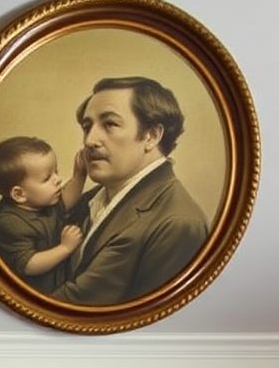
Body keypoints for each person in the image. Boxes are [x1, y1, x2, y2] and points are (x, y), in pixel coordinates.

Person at [48, 75, 210, 305]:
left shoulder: (177, 222)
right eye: (87, 127)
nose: (90, 140)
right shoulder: (91, 199)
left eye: (110, 124)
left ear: (151, 136)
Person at [0, 136, 89, 293]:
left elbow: (66, 200)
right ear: (19, 194)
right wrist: (65, 248)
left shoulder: (41, 203)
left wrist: (79, 175)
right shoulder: (9, 223)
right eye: (47, 178)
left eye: (56, 172)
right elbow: (28, 265)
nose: (58, 180)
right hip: (31, 294)